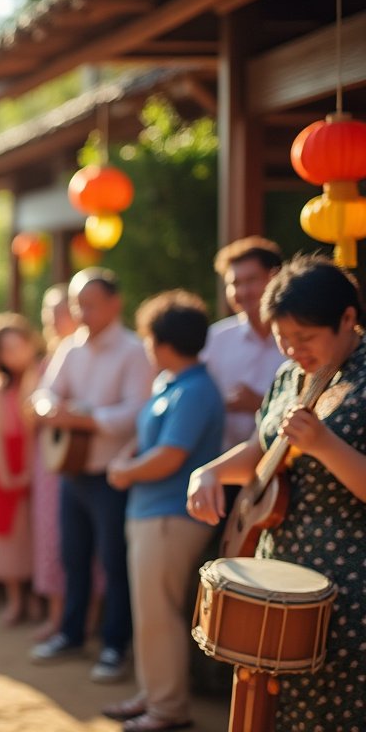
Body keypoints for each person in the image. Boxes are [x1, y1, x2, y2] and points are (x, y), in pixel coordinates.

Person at [188, 255, 366, 731]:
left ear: (348, 319)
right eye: (283, 339)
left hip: (350, 582)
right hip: (277, 566)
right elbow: (265, 447)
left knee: (337, 709)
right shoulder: (289, 375)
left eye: (304, 338)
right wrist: (209, 472)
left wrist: (324, 445)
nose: (292, 350)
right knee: (271, 706)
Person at [103, 291, 223, 732]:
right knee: (151, 611)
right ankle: (154, 695)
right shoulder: (172, 383)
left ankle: (168, 708)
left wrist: (125, 472)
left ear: (166, 342)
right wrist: (129, 464)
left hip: (171, 516)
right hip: (154, 513)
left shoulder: (194, 390)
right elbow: (149, 439)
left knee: (161, 613)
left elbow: (171, 455)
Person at [30, 267, 153, 684]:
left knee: (114, 562)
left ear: (115, 304)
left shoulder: (135, 351)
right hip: (72, 470)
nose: (83, 312)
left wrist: (87, 420)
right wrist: (52, 410)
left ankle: (115, 646)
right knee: (73, 557)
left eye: (91, 304)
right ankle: (71, 633)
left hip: (112, 474)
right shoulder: (70, 348)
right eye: (79, 303)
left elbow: (137, 413)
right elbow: (44, 392)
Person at [0, 313, 37, 626]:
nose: (13, 355)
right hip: (5, 464)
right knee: (9, 534)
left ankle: (35, 596)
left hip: (34, 460)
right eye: (6, 349)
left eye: (18, 346)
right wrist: (6, 475)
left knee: (33, 531)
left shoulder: (40, 379)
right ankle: (15, 598)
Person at [202, 237, 284, 450]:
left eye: (251, 280)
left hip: (283, 466)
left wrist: (260, 403)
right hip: (223, 467)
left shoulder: (300, 338)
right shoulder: (216, 338)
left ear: (275, 278)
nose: (243, 292)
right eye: (234, 283)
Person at [32, 284, 78, 641]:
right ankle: (58, 615)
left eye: (59, 309)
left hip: (73, 457)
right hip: (49, 456)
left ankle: (75, 618)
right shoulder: (51, 355)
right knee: (51, 537)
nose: (52, 317)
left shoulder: (78, 351)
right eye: (48, 310)